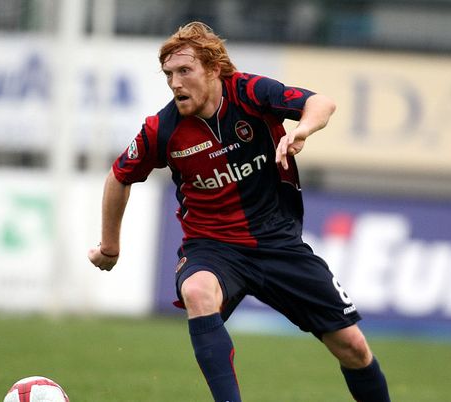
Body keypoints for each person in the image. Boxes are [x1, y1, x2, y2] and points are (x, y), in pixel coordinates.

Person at [88, 21, 390, 402]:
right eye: (169, 74)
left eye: (185, 71)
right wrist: (110, 247)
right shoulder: (162, 129)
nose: (176, 83)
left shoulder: (250, 92)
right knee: (198, 290)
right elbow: (119, 177)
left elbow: (321, 104)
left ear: (213, 69)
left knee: (353, 347)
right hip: (213, 247)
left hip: (279, 243)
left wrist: (302, 130)